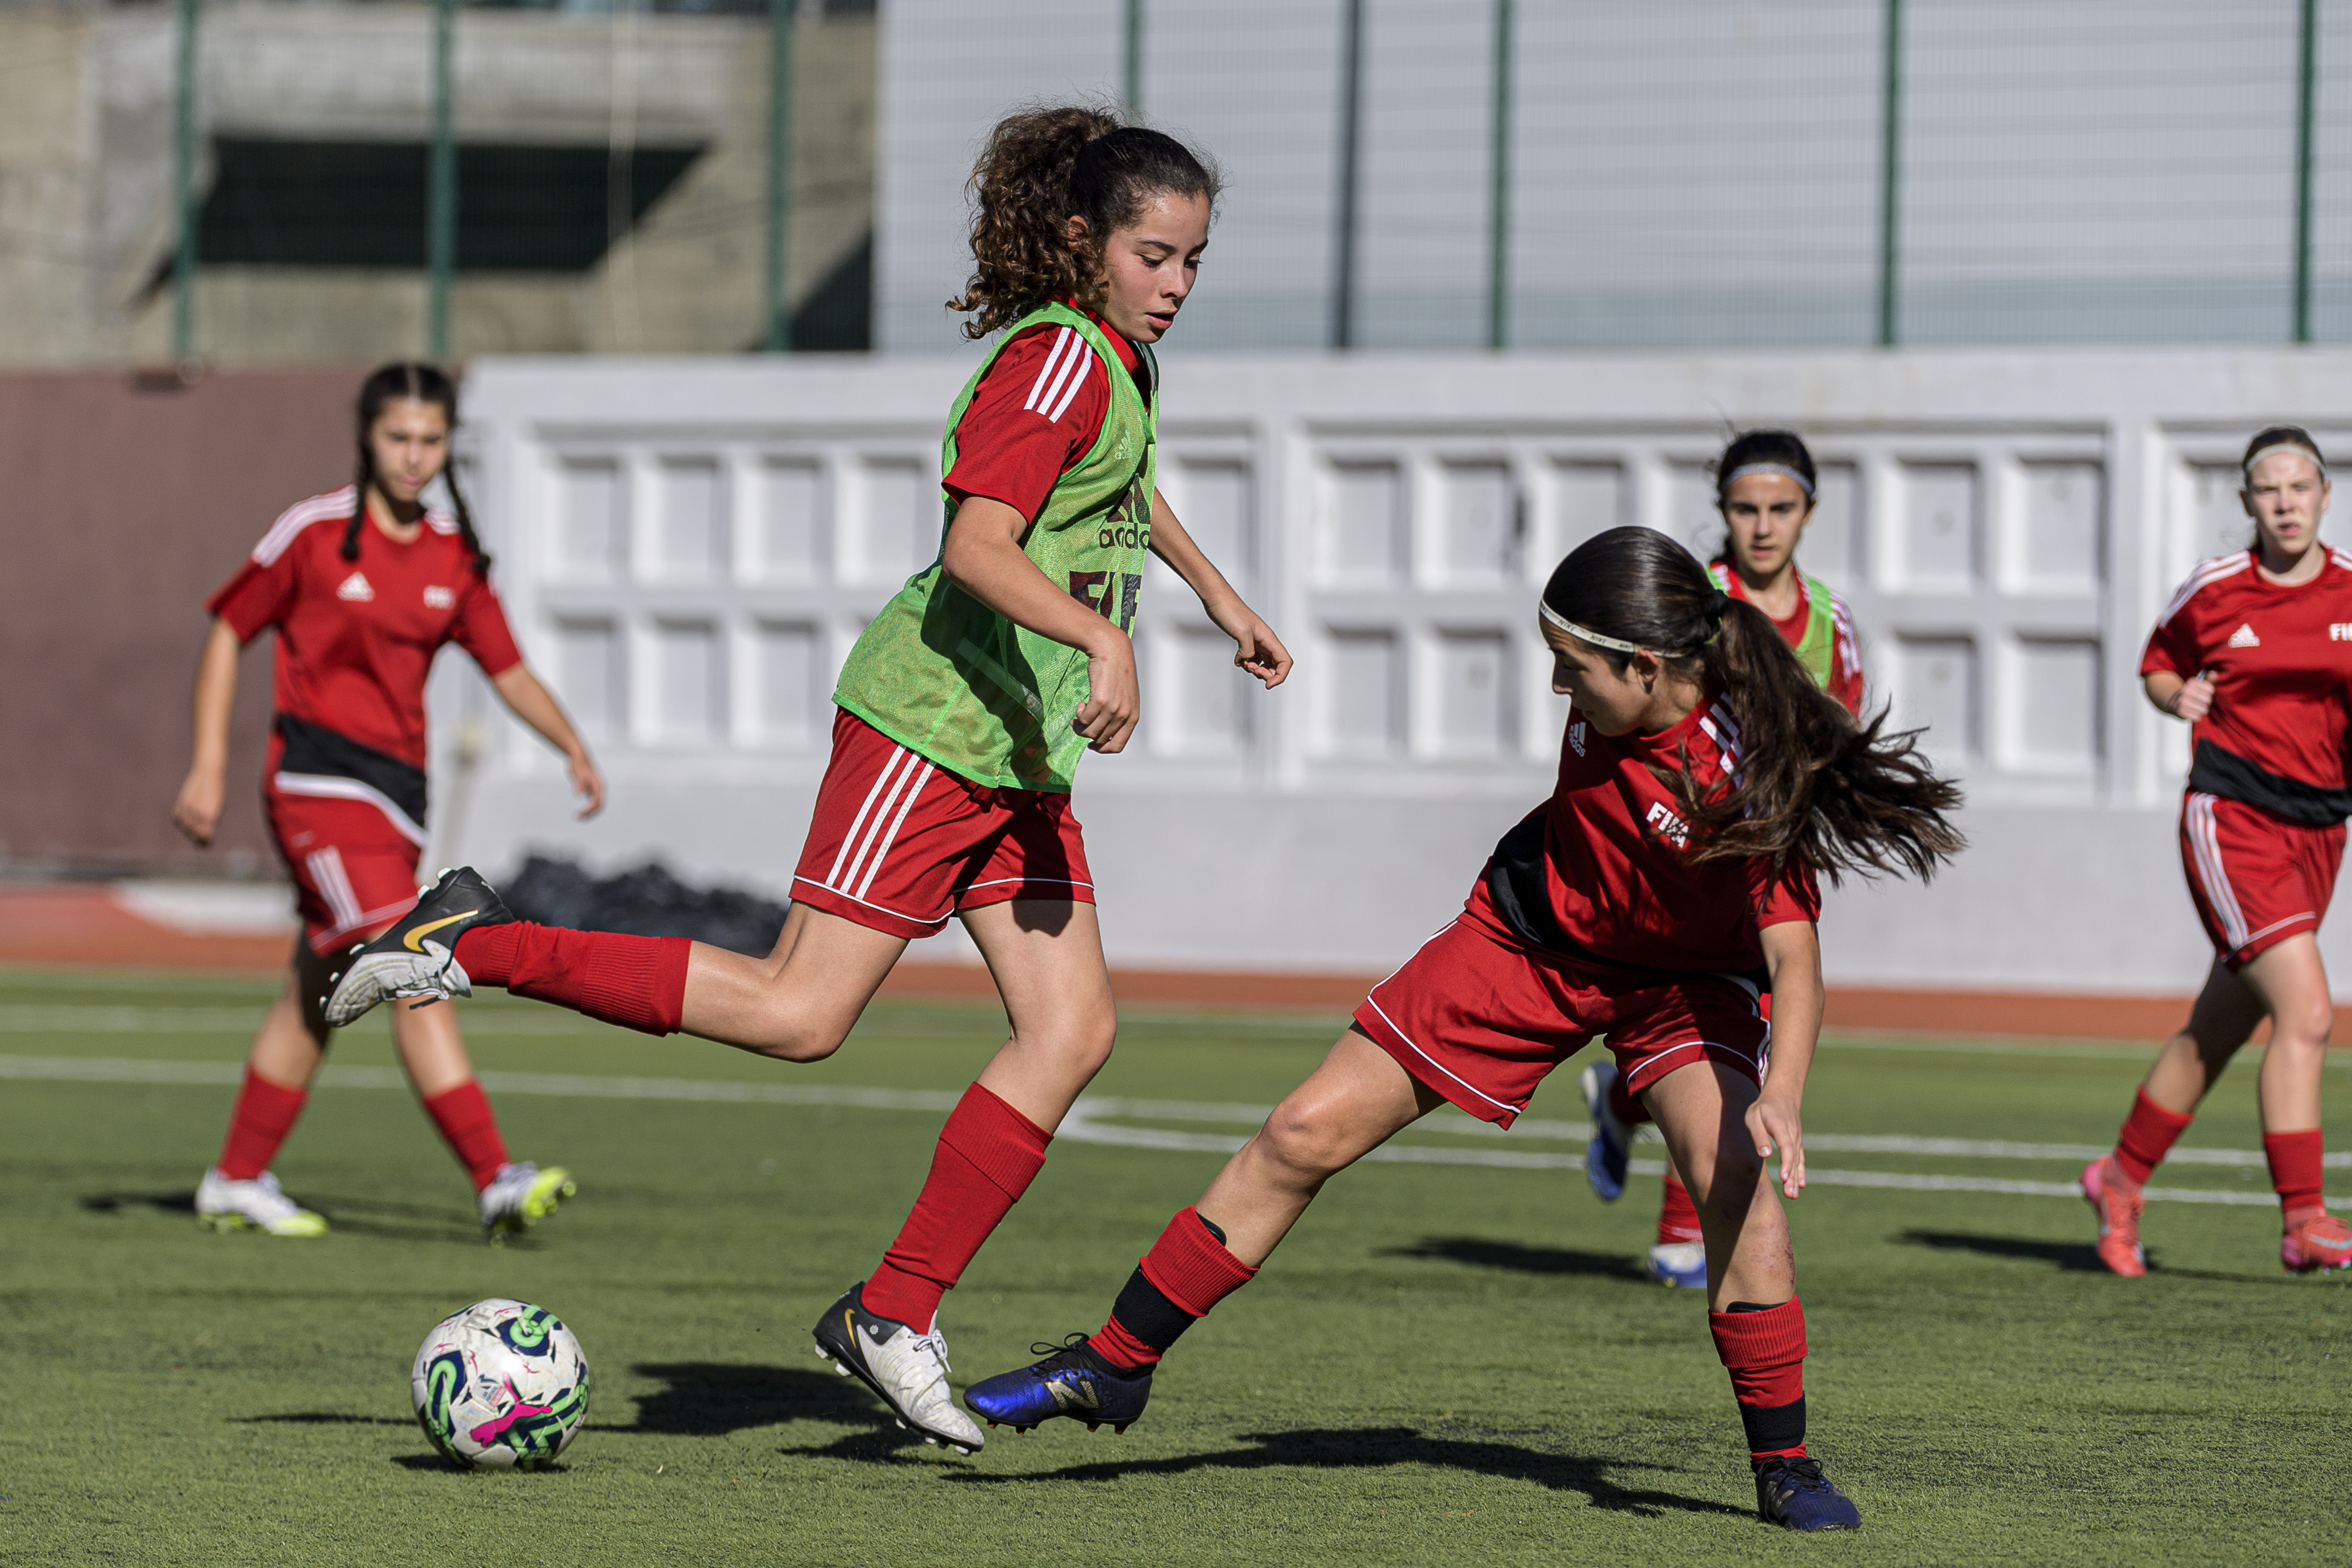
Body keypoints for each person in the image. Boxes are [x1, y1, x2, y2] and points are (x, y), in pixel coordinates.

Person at [318, 108, 1290, 1456]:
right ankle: (474, 944)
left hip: (1011, 755)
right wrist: (1099, 632)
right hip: (930, 730)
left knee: (1069, 1033)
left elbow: (1117, 491)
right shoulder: (1061, 358)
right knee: (796, 1012)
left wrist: (1216, 593)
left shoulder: (1110, 360)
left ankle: (893, 1309)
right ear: (1082, 244)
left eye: (1192, 259)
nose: (1176, 283)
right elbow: (977, 545)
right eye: (1153, 255)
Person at [961, 527, 1961, 1531]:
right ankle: (1113, 1364)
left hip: (1684, 985)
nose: (1562, 694)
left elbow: (1797, 962)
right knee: (1303, 1130)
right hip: (1529, 939)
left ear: (1645, 668)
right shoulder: (1633, 674)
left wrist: (1780, 1093)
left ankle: (1783, 1463)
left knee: (1735, 1182)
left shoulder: (1743, 770)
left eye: (1575, 672)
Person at [172, 362, 603, 1242]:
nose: (414, 457)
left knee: (315, 987)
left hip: (398, 801)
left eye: (431, 441)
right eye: (397, 438)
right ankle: (494, 1175)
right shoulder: (313, 532)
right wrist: (207, 765)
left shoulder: (452, 555)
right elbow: (229, 628)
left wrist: (570, 744)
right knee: (414, 962)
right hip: (316, 786)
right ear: (367, 438)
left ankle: (235, 1178)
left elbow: (508, 669)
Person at [1582, 430, 1866, 1290]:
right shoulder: (1694, 600)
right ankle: (1682, 1230)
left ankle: (1620, 1100)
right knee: (1714, 1030)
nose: (1763, 525)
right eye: (1745, 508)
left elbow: (1839, 732)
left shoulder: (1828, 619)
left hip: (1764, 844)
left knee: (1724, 1022)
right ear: (1723, 514)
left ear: (1808, 514)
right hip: (1677, 848)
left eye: (1781, 508)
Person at [2083, 425, 2352, 1277]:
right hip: (2231, 818)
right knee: (2306, 1011)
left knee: (2218, 1029)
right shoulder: (2213, 589)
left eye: (2298, 487)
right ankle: (2303, 1220)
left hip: (2322, 826)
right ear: (2246, 503)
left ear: (2322, 495)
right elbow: (2157, 668)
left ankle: (2118, 1176)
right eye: (2266, 490)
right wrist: (2178, 696)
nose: (2284, 503)